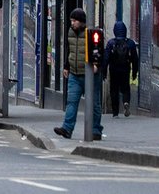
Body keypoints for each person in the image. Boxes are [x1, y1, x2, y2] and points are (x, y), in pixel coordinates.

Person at [54, 8, 102, 139]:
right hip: (74, 74)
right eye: (71, 20)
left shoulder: (91, 32)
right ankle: (67, 128)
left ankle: (96, 130)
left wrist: (96, 65)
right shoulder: (70, 32)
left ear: (81, 21)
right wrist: (66, 66)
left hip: (90, 75)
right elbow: (69, 49)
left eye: (74, 20)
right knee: (71, 102)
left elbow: (98, 50)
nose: (72, 23)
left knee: (94, 103)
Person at [103, 21, 139, 117]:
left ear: (115, 31)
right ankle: (126, 102)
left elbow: (106, 58)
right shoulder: (130, 43)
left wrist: (103, 72)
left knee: (114, 90)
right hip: (125, 69)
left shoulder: (111, 43)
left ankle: (115, 113)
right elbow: (135, 60)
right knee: (125, 88)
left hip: (114, 70)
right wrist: (135, 72)